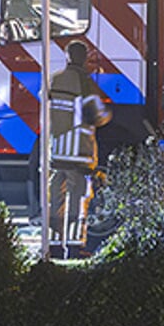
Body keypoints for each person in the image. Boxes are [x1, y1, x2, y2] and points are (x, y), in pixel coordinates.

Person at [47, 40, 110, 256]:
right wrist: (109, 115)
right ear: (84, 58)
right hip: (79, 154)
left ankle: (54, 246)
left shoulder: (54, 79)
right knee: (78, 199)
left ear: (67, 56)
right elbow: (97, 115)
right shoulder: (85, 83)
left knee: (56, 199)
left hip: (56, 153)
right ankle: (74, 246)